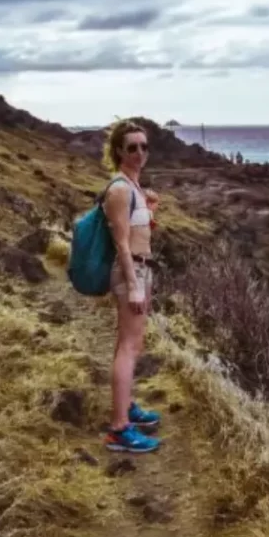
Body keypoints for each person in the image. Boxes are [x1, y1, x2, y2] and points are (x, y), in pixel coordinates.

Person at [102, 120, 162, 453]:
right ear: (118, 152)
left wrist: (149, 210)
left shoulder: (134, 187)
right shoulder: (120, 190)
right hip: (131, 272)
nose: (140, 152)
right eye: (132, 147)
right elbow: (122, 244)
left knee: (132, 344)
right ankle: (119, 430)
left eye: (144, 146)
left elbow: (140, 232)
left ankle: (126, 407)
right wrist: (134, 285)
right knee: (128, 345)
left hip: (142, 270)